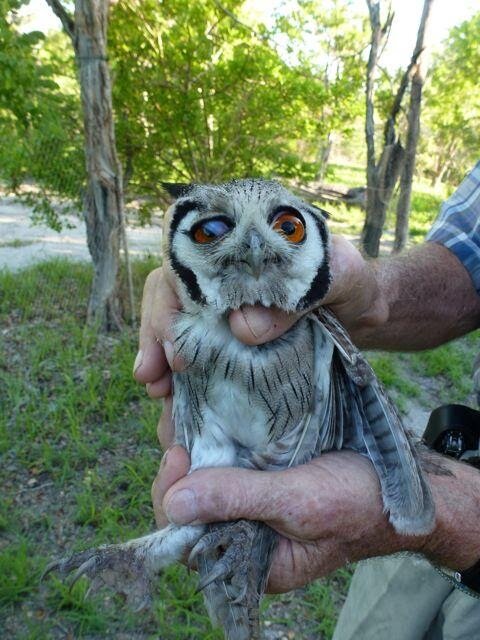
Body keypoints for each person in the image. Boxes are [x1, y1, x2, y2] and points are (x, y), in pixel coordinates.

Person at [133, 162, 480, 636]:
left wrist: (457, 511)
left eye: (287, 228)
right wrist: (369, 295)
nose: (254, 247)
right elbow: (467, 261)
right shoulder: (195, 332)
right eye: (213, 229)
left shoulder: (321, 341)